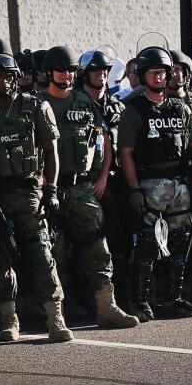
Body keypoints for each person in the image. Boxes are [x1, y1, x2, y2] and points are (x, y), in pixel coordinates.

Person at [0, 53, 73, 342]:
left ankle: (55, 317)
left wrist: (50, 190)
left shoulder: (35, 107)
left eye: (9, 76)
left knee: (42, 254)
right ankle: (9, 319)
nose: (4, 81)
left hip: (29, 192)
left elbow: (51, 150)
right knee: (0, 259)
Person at [41, 46, 138, 329]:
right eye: (61, 70)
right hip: (50, 190)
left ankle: (107, 306)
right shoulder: (36, 105)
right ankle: (56, 312)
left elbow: (105, 141)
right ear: (49, 72)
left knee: (98, 247)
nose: (67, 75)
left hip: (82, 187)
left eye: (71, 70)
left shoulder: (85, 104)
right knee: (53, 253)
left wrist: (103, 177)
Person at [119, 47, 192, 320]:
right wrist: (134, 188)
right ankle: (141, 301)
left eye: (163, 73)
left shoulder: (181, 108)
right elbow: (126, 154)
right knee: (147, 246)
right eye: (153, 73)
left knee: (180, 245)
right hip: (149, 184)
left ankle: (174, 297)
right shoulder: (134, 110)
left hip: (179, 184)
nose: (159, 78)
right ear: (143, 75)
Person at [79, 47, 135, 311]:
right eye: (95, 70)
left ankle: (121, 296)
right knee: (87, 242)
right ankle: (85, 299)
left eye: (104, 70)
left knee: (120, 240)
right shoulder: (75, 106)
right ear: (84, 74)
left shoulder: (117, 106)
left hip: (115, 181)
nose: (101, 74)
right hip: (85, 182)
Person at [167, 49, 192, 120]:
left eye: (177, 69)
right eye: (170, 70)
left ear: (185, 73)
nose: (173, 74)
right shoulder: (158, 100)